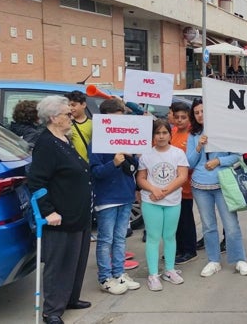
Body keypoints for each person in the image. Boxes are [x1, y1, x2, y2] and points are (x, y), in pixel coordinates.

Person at [27, 95, 92, 324]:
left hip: (79, 214)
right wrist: (48, 212)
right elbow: (36, 181)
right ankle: (52, 310)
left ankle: (70, 298)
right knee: (59, 263)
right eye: (67, 113)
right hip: (60, 216)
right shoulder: (46, 145)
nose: (71, 116)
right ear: (54, 118)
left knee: (77, 260)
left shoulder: (65, 138)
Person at [187, 99, 247, 277]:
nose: (200, 115)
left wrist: (218, 161)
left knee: (231, 224)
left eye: (203, 111)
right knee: (208, 226)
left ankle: (239, 259)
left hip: (223, 183)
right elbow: (190, 162)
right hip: (200, 186)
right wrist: (199, 146)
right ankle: (213, 260)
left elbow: (237, 156)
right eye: (196, 112)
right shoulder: (193, 135)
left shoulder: (224, 131)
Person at [89, 99, 140, 295]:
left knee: (120, 238)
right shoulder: (97, 143)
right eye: (115, 120)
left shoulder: (125, 139)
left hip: (125, 195)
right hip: (107, 198)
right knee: (105, 239)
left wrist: (131, 157)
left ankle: (119, 273)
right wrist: (114, 163)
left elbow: (133, 168)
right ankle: (105, 278)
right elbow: (96, 172)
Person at [137, 119, 189, 291]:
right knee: (153, 237)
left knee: (169, 236)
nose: (161, 136)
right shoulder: (146, 155)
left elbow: (182, 176)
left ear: (170, 134)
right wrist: (154, 189)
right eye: (157, 133)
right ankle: (153, 274)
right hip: (151, 201)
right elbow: (141, 178)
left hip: (172, 201)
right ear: (152, 136)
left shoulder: (178, 153)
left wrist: (164, 191)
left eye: (164, 132)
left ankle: (170, 269)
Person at [169, 102, 199, 264]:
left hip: (185, 186)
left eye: (183, 117)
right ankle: (178, 249)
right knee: (175, 221)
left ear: (189, 118)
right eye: (176, 117)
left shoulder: (191, 136)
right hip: (170, 186)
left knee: (185, 220)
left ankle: (189, 250)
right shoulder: (171, 133)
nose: (179, 120)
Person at [65, 90, 91, 163]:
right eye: (68, 105)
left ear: (83, 105)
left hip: (87, 165)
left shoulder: (92, 124)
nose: (70, 108)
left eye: (73, 105)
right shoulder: (64, 124)